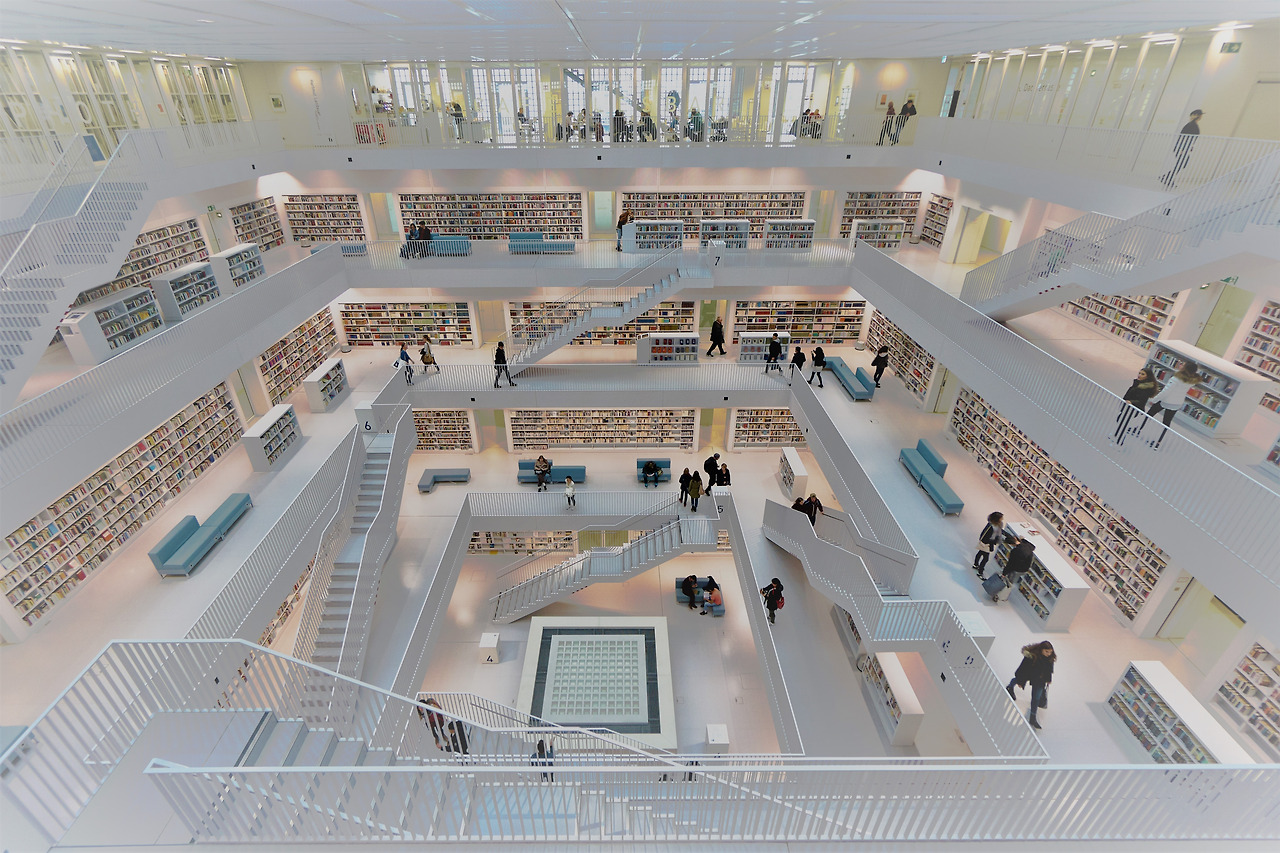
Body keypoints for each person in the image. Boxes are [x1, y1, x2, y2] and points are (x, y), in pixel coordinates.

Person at [1136, 362, 1200, 450]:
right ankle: (1158, 443)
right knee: (1166, 422)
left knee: (1150, 414)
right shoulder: (1192, 381)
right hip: (1177, 403)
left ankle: (1138, 429)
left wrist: (1154, 400)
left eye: (1183, 365)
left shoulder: (1176, 379)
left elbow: (1165, 391)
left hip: (1166, 401)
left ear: (1185, 368)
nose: (1181, 365)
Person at [1007, 641, 1056, 730]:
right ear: (1041, 650)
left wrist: (1048, 679)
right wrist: (1021, 681)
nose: (1049, 654)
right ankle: (1010, 687)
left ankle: (1032, 717)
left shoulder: (1050, 658)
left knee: (1036, 698)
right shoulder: (1031, 656)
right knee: (1016, 680)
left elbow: (1049, 670)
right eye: (1046, 651)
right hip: (1029, 675)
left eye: (1050, 652)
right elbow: (1023, 669)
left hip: (1040, 680)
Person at [1113, 368, 1157, 446]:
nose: (1139, 375)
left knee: (1123, 422)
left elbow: (1142, 401)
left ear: (1147, 376)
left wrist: (1131, 402)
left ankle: (1119, 441)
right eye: (1139, 373)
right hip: (1128, 406)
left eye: (1142, 374)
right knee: (1121, 420)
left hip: (1133, 408)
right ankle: (1116, 435)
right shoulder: (1138, 383)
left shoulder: (1145, 388)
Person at [1160, 110, 1203, 189]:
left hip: (1184, 147)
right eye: (1200, 115)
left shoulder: (1192, 124)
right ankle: (1167, 178)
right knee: (1182, 164)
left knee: (1181, 164)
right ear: (1198, 115)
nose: (1201, 116)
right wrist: (1181, 149)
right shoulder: (1192, 125)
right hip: (1182, 148)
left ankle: (1167, 177)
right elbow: (1184, 137)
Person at [995, 537, 1035, 602]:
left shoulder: (1015, 551)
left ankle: (1003, 596)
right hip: (1025, 568)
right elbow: (1033, 546)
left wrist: (1004, 573)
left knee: (1009, 583)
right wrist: (1023, 540)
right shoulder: (1027, 545)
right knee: (1010, 581)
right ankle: (1004, 596)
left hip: (1017, 569)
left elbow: (1010, 564)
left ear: (1012, 544)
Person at [973, 511, 1005, 578]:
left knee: (980, 553)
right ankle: (980, 572)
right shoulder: (992, 527)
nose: (1002, 519)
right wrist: (991, 546)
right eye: (1001, 518)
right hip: (986, 544)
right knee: (985, 559)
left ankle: (975, 564)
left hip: (985, 543)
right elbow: (989, 538)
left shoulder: (991, 523)